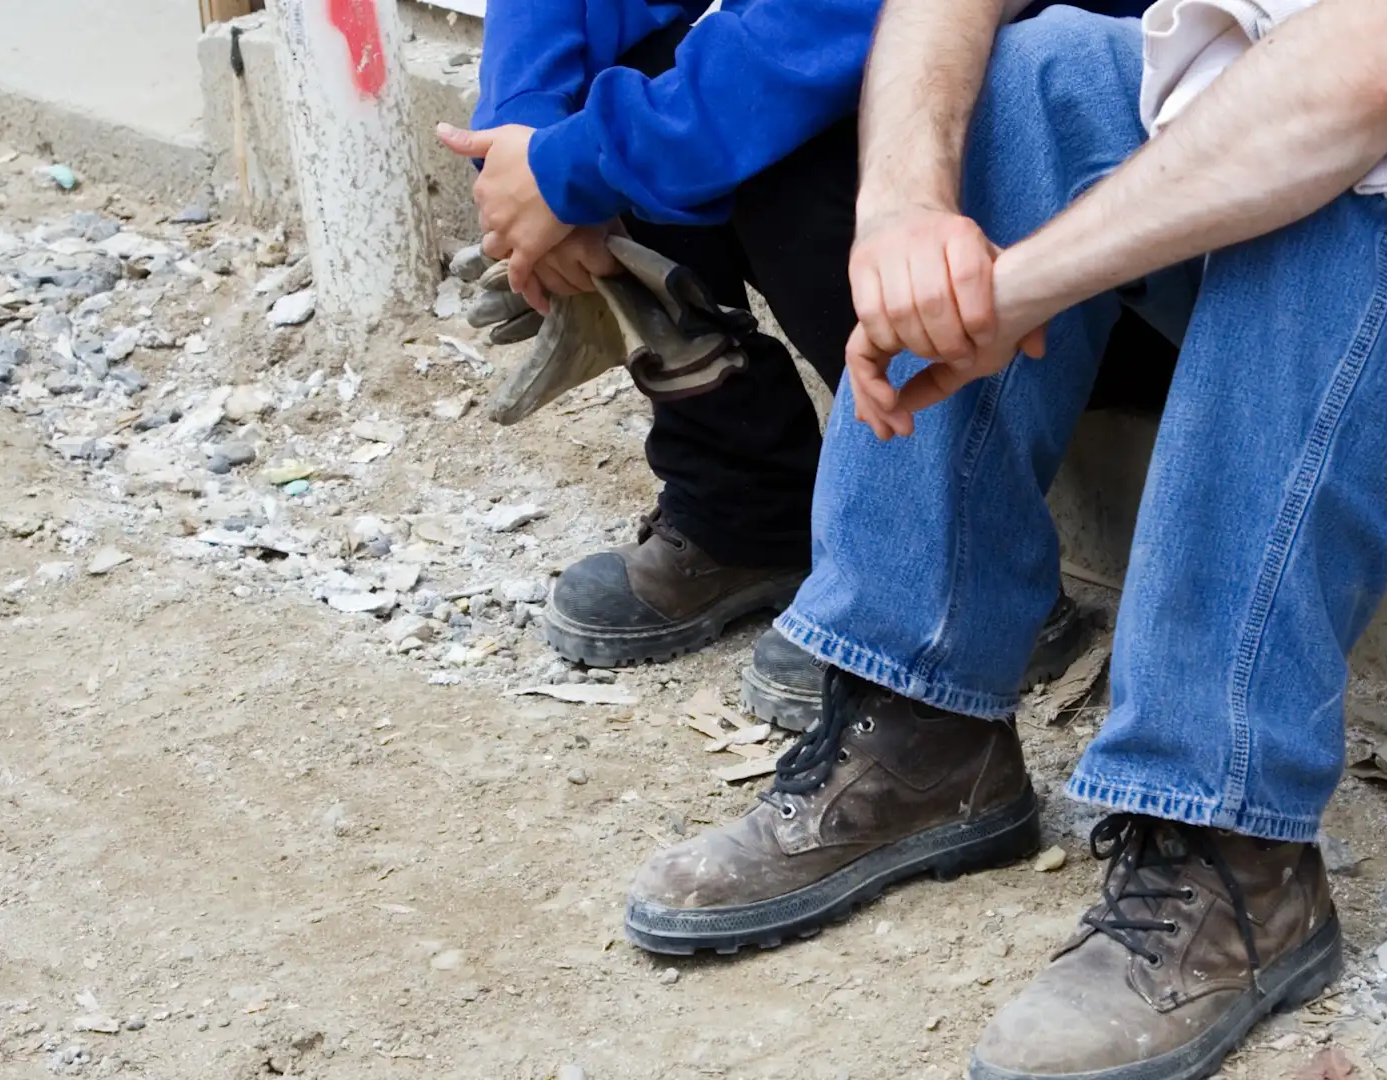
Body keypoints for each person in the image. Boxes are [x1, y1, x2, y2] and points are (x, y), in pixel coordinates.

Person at [622, 0, 1387, 1077]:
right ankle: (916, 723)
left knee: (1359, 160)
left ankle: (1224, 849)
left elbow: (1374, 74)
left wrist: (1020, 287)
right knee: (1041, 76)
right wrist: (901, 212)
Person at [437, 0, 1169, 730]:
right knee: (646, 82)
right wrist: (521, 147)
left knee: (776, 116)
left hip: (1126, 260)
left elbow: (825, 29)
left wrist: (571, 167)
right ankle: (748, 506)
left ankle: (954, 564)